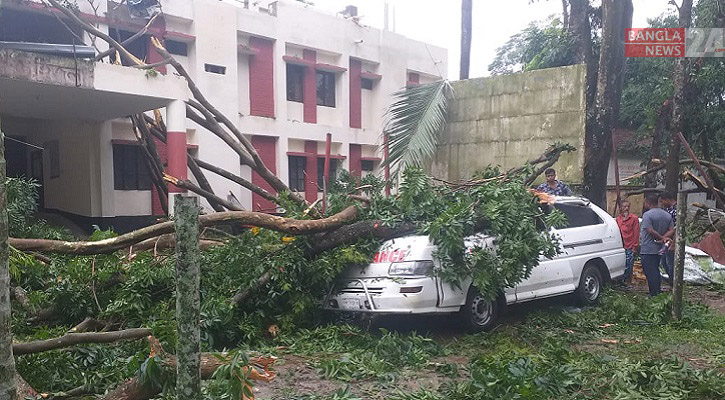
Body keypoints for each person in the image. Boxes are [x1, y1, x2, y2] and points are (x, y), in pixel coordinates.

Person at [639, 194, 675, 296]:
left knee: (650, 271)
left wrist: (660, 238)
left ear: (648, 203)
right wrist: (664, 238)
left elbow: (649, 230)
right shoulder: (667, 215)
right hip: (660, 248)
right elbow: (672, 230)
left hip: (648, 248)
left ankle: (655, 292)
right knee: (655, 268)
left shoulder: (647, 215)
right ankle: (653, 291)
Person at [616, 199, 639, 286]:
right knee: (622, 264)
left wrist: (635, 246)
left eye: (628, 207)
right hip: (621, 245)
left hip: (630, 245)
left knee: (629, 265)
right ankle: (622, 281)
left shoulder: (634, 218)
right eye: (624, 206)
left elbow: (636, 233)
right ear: (620, 208)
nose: (626, 208)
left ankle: (627, 281)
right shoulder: (618, 219)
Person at [659, 192, 677, 282]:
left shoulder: (676, 210)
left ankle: (674, 283)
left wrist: (673, 243)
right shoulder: (667, 210)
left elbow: (677, 228)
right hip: (666, 241)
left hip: (673, 241)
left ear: (667, 199)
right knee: (664, 262)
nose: (661, 204)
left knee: (671, 263)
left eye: (662, 201)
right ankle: (671, 281)